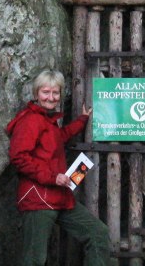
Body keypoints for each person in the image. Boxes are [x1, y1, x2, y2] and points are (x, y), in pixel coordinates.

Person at [6, 70, 110, 266]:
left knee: (97, 233)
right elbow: (18, 157)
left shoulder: (47, 121)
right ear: (36, 94)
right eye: (46, 92)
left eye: (55, 93)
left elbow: (58, 138)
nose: (51, 97)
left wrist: (81, 120)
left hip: (58, 197)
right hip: (37, 198)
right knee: (34, 259)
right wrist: (53, 177)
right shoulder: (30, 121)